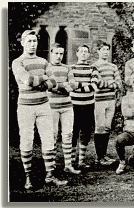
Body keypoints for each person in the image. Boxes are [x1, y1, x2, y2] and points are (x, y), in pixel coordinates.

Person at [12, 30, 68, 189]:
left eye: (34, 41)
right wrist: (43, 79)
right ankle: (28, 177)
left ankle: (50, 175)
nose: (32, 44)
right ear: (22, 43)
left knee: (49, 140)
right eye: (29, 41)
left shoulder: (44, 61)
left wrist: (43, 81)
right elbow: (28, 80)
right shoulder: (18, 62)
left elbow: (53, 83)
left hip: (44, 105)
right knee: (27, 141)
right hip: (25, 107)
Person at [46, 43, 81, 175]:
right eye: (56, 53)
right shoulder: (47, 68)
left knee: (67, 135)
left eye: (61, 53)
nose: (59, 56)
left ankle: (68, 165)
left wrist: (60, 86)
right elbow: (49, 86)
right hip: (52, 107)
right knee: (53, 135)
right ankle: (52, 165)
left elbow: (74, 84)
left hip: (67, 106)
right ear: (51, 53)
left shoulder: (67, 68)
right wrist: (63, 86)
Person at [69, 44, 100, 169]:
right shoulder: (71, 68)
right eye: (81, 51)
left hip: (88, 105)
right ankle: (71, 161)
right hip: (73, 106)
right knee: (73, 133)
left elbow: (94, 87)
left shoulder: (93, 68)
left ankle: (81, 161)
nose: (83, 53)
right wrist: (84, 85)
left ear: (88, 54)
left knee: (85, 133)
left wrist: (77, 85)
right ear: (77, 53)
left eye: (86, 52)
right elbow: (70, 85)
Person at [93, 41, 122, 166]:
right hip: (99, 100)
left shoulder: (113, 66)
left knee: (107, 127)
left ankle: (104, 156)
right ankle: (99, 157)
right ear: (98, 51)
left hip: (111, 99)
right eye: (103, 49)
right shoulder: (94, 66)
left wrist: (107, 83)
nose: (105, 52)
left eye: (107, 49)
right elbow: (97, 84)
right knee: (99, 127)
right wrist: (111, 83)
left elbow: (119, 83)